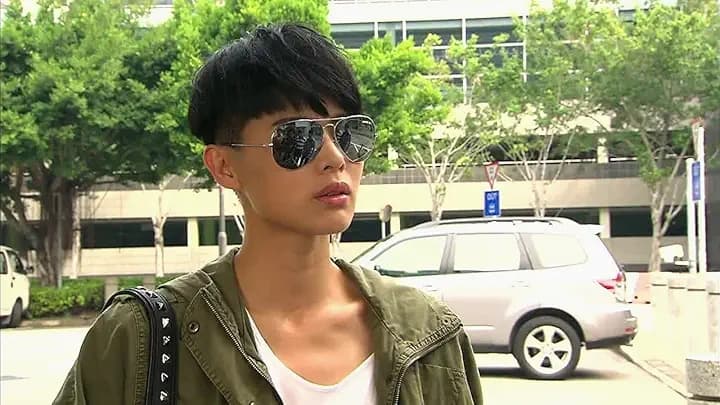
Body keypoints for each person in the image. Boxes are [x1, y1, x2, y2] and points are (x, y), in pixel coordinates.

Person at [54, 23, 483, 405]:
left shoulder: (428, 334)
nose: (335, 158)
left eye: (348, 133)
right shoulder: (140, 338)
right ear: (224, 166)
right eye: (298, 138)